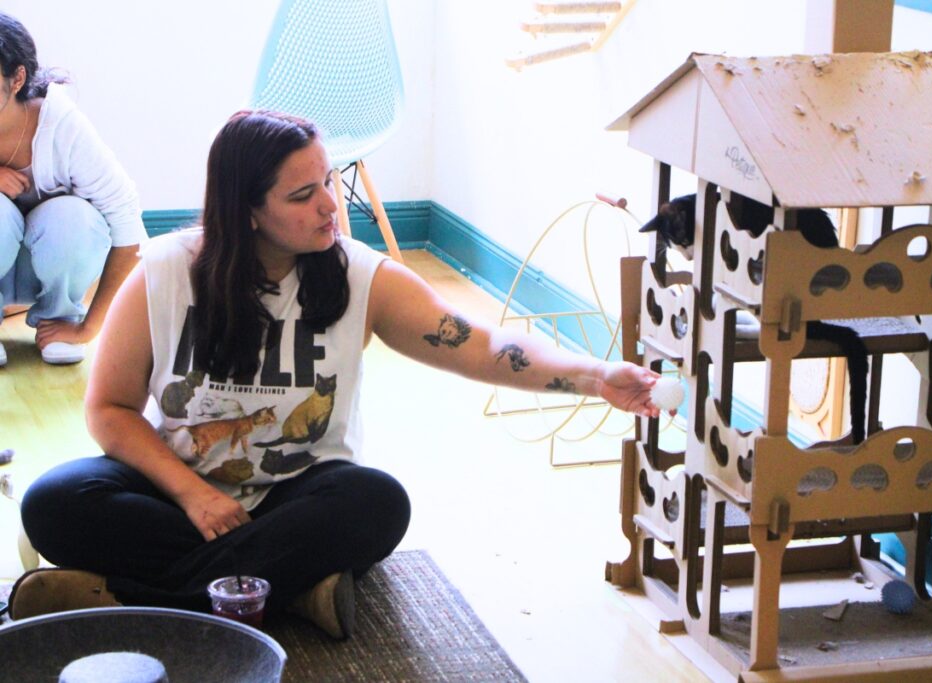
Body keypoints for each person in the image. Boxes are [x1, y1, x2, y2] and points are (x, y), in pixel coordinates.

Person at [10, 110, 662, 639]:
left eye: (327, 180)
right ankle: (293, 589)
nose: (330, 205)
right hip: (181, 494)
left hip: (300, 496)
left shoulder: (357, 274)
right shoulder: (164, 271)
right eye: (303, 194)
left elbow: (483, 344)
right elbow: (109, 410)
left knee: (376, 503)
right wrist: (193, 494)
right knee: (53, 500)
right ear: (246, 212)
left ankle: (130, 598)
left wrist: (594, 374)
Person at [0, 12, 144, 367]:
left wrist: (90, 328)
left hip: (51, 264)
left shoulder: (62, 126)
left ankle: (61, 318)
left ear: (17, 78)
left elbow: (128, 228)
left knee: (74, 218)